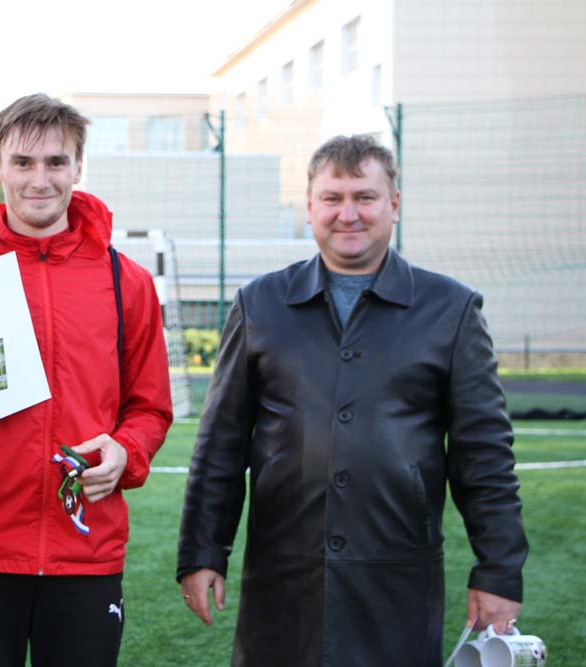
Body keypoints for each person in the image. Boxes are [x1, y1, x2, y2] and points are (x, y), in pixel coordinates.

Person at [177, 134, 529, 667]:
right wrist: (203, 551)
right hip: (283, 576)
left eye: (364, 197)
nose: (348, 214)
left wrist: (498, 569)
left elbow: (484, 454)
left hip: (396, 576)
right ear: (310, 206)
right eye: (332, 198)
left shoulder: (450, 309)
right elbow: (220, 443)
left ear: (394, 204)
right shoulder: (260, 304)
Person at [0, 93, 173, 667]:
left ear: (78, 168)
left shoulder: (126, 281)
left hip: (86, 551)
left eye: (55, 162)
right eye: (23, 162)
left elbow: (150, 408)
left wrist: (126, 452)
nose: (39, 179)